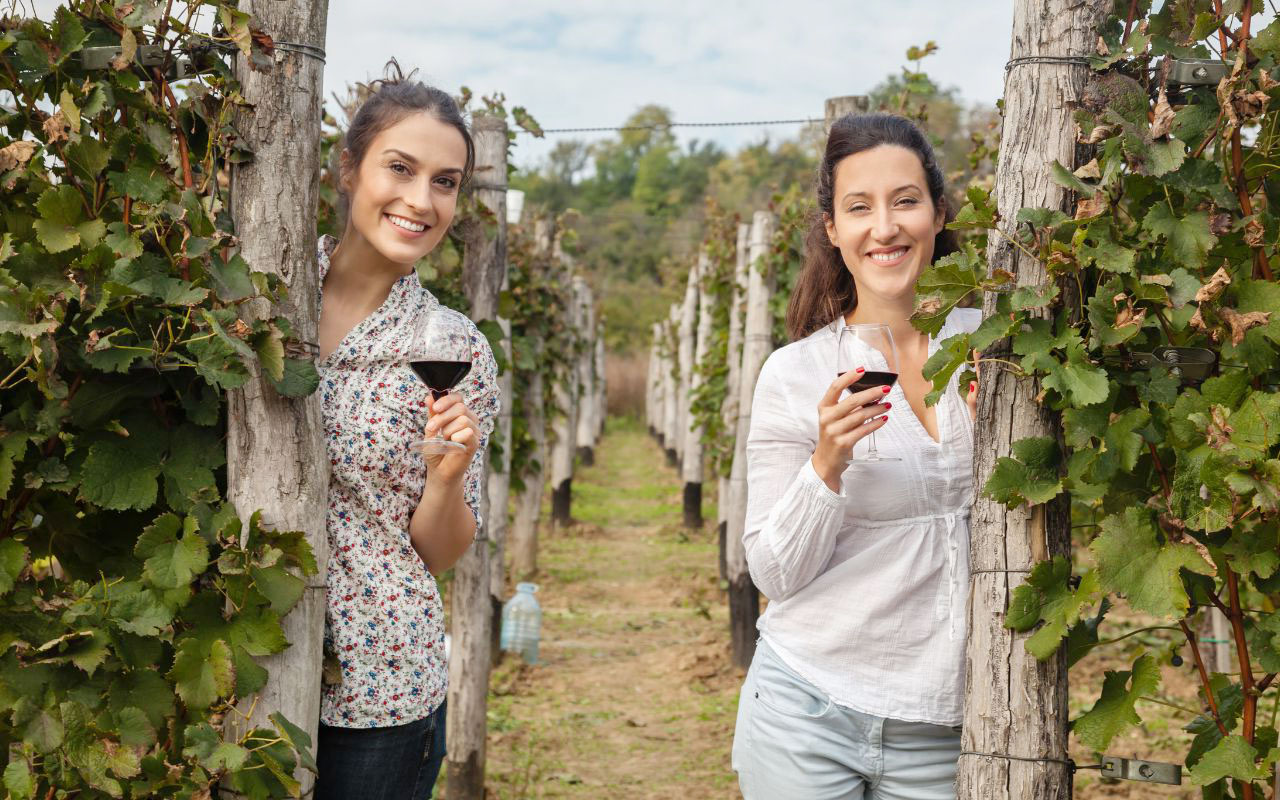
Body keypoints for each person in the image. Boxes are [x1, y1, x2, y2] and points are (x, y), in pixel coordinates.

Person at [731, 112, 981, 800]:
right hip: (807, 709)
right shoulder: (797, 372)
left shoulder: (998, 345)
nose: (886, 227)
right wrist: (827, 464)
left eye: (905, 200)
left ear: (936, 211)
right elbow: (774, 572)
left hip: (947, 725)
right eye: (859, 208)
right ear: (833, 229)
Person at [312, 61, 499, 800]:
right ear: (349, 169)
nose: (422, 200)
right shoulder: (256, 296)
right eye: (401, 168)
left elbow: (441, 550)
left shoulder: (453, 348)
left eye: (446, 182)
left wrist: (448, 476)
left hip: (377, 689)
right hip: (231, 653)